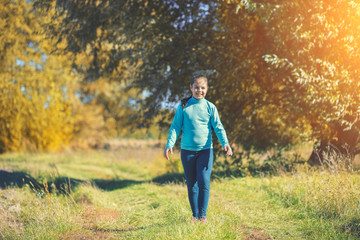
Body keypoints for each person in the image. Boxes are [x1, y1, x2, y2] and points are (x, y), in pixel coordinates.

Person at [164, 75, 233, 223]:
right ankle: (195, 217)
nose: (199, 90)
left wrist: (225, 143)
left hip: (205, 150)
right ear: (191, 88)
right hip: (187, 151)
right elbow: (175, 127)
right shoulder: (183, 106)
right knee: (192, 184)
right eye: (196, 87)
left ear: (206, 89)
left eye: (202, 88)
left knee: (203, 181)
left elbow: (218, 127)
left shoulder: (210, 107)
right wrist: (169, 144)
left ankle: (203, 216)